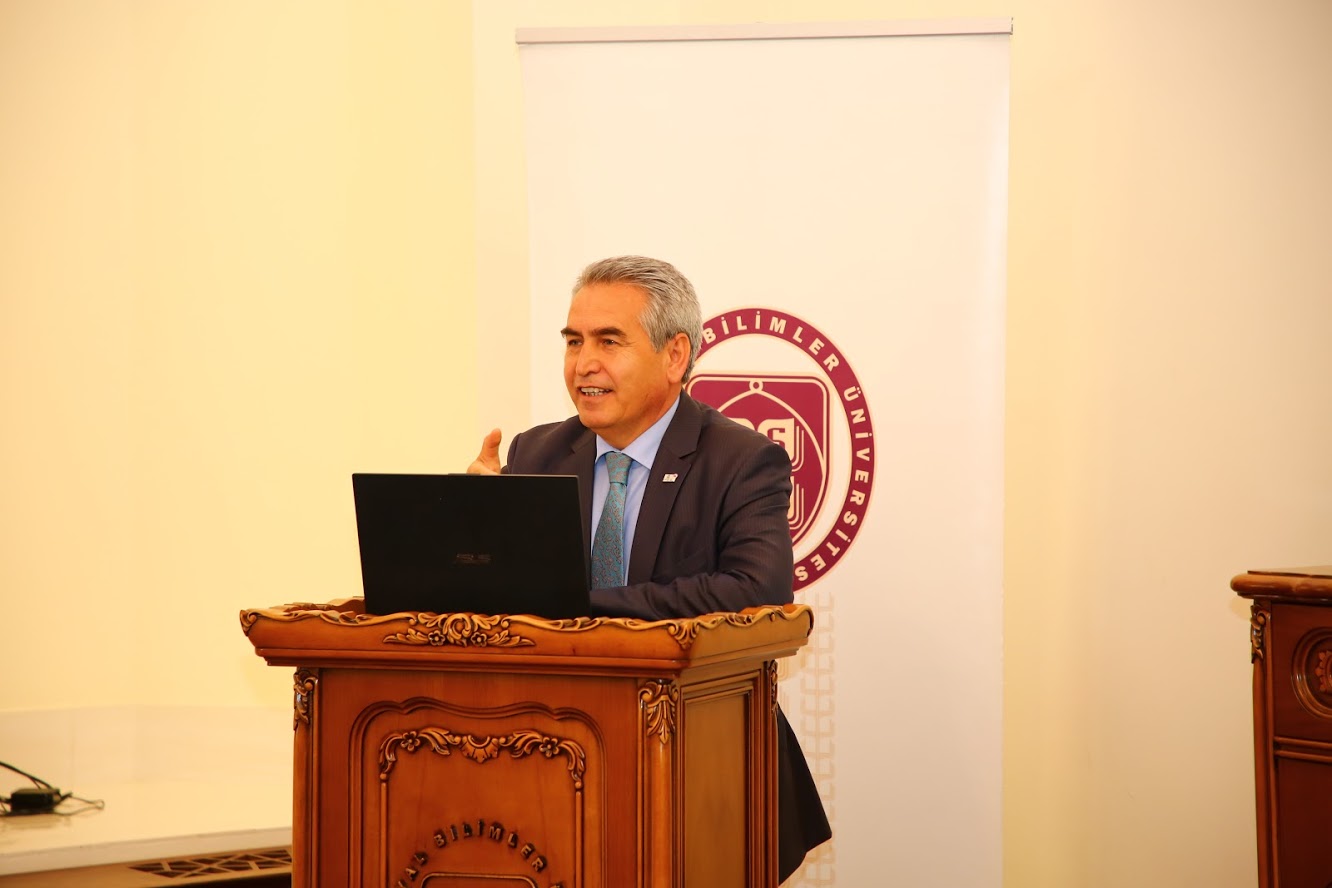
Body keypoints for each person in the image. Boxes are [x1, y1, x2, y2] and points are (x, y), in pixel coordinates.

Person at [468, 255, 831, 880]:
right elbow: (504, 600)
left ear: (674, 355)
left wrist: (582, 603)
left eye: (609, 342)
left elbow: (758, 591)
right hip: (553, 766)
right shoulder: (537, 454)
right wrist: (477, 528)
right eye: (574, 341)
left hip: (707, 764)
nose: (584, 363)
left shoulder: (741, 460)